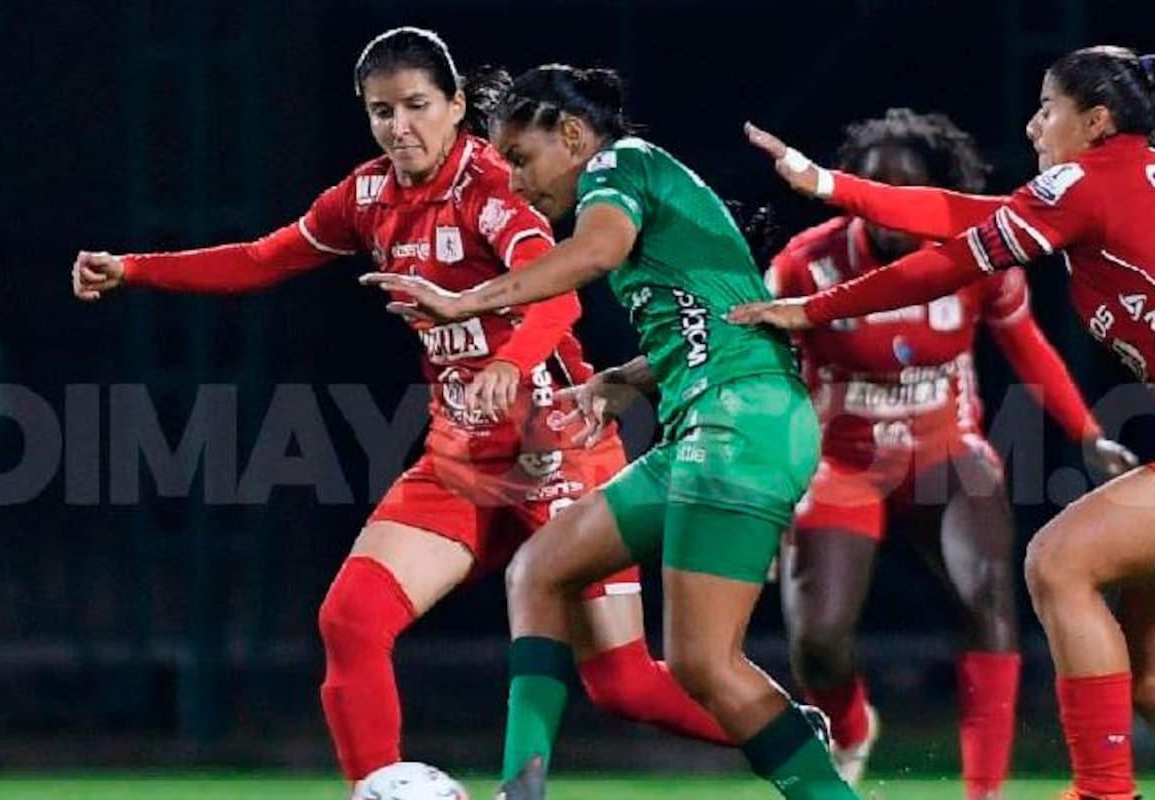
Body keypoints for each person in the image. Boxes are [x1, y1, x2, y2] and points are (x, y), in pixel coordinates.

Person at [71, 27, 730, 791]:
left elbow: (558, 294)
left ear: (456, 107)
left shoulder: (491, 186)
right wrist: (134, 268)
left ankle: (780, 732)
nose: (399, 127)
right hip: (462, 459)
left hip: (558, 450)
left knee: (623, 686)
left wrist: (510, 364)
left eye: (417, 106)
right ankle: (380, 788)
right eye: (381, 111)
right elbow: (263, 257)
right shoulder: (368, 195)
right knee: (351, 619)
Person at [362, 64, 856, 800]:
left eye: (523, 160)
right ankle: (522, 789)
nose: (519, 185)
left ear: (571, 135)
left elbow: (591, 256)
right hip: (709, 424)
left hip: (740, 426)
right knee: (542, 568)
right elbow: (714, 324)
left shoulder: (620, 166)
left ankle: (820, 780)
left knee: (702, 666)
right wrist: (624, 376)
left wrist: (468, 303)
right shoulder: (655, 203)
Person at [734, 46, 1155, 800]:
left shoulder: (1087, 181)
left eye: (1048, 108)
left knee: (1060, 562)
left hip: (939, 452)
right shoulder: (1110, 181)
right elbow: (966, 219)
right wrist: (828, 186)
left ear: (1095, 122)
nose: (1031, 126)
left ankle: (1101, 793)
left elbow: (950, 258)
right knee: (1145, 668)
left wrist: (817, 309)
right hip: (846, 463)